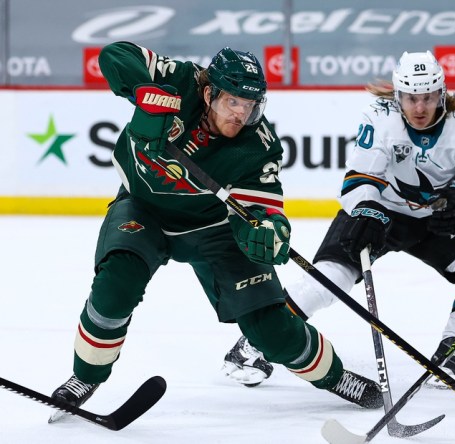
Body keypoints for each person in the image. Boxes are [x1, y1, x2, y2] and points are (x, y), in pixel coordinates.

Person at [48, 41, 383, 422]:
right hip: (143, 209)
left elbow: (264, 209)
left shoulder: (259, 146)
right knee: (115, 286)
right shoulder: (181, 80)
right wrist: (146, 93)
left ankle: (335, 377)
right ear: (208, 93)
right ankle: (84, 377)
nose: (242, 114)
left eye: (251, 105)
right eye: (233, 102)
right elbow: (114, 55)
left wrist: (265, 231)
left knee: (271, 329)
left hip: (214, 227)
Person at [222, 50, 455, 391]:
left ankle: (453, 353)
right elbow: (359, 179)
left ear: (442, 93)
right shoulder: (380, 116)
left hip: (433, 221)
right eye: (410, 98)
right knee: (330, 278)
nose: (419, 108)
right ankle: (253, 344)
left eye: (428, 97)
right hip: (379, 214)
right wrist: (368, 211)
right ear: (398, 94)